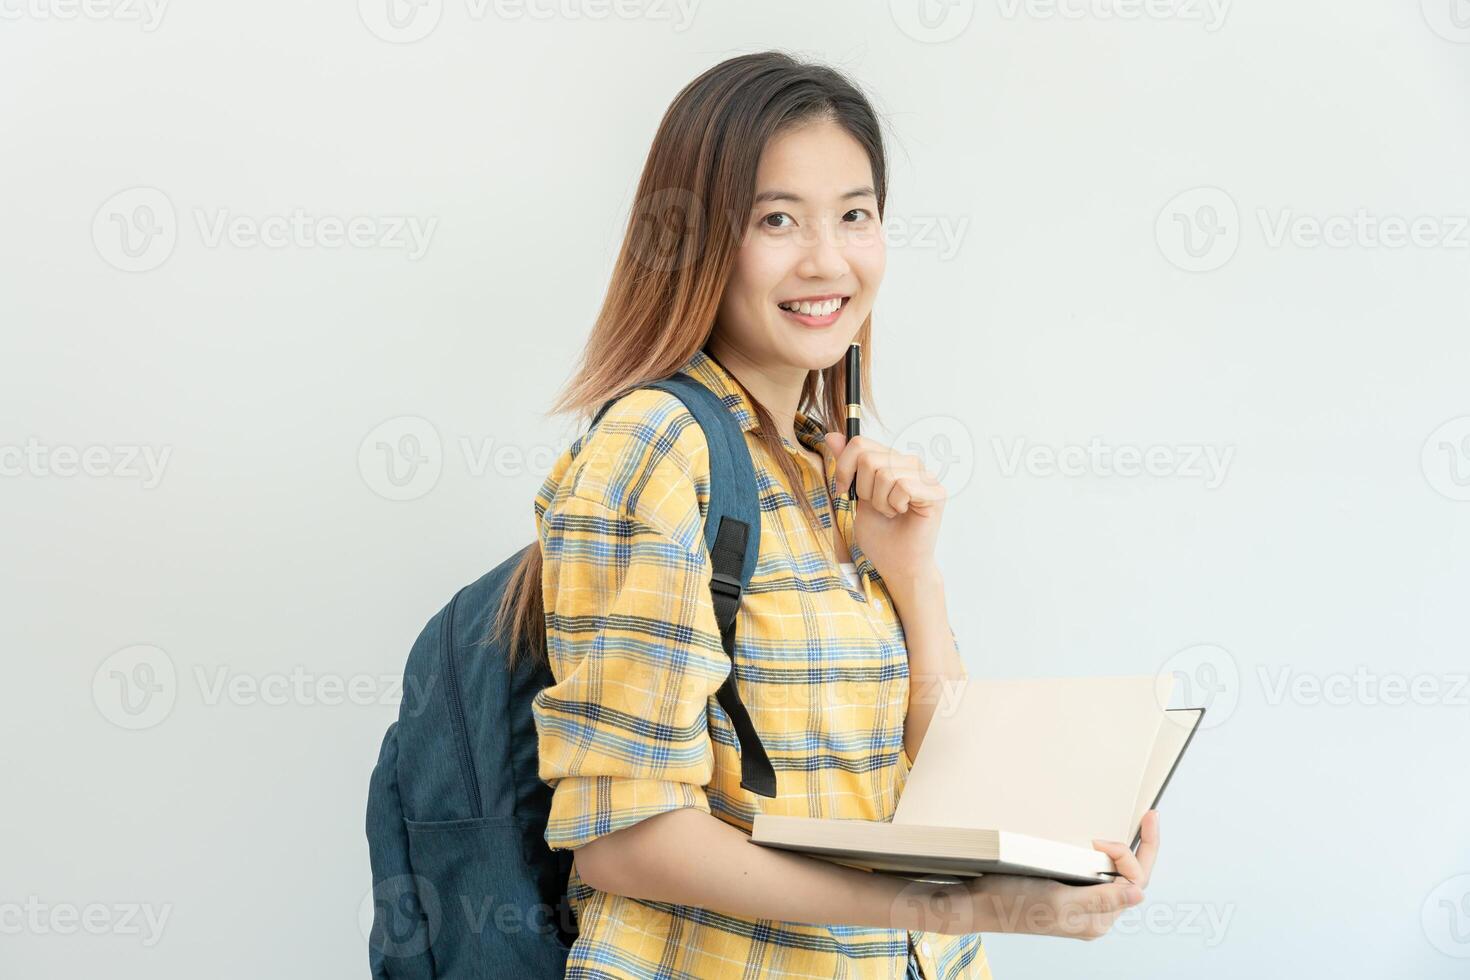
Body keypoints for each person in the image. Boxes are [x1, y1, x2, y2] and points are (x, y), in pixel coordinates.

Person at [495, 50, 1159, 980]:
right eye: (777, 219)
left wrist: (914, 576)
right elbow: (625, 838)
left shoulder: (824, 466)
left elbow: (937, 793)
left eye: (855, 215)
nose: (828, 258)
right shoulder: (655, 448)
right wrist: (955, 901)